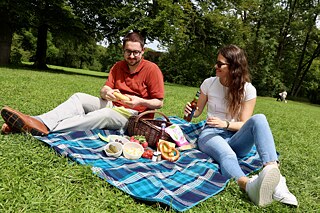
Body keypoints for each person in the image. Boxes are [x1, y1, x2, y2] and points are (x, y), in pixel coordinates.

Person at [184, 45, 297, 206]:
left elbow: (244, 124)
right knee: (227, 155)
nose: (215, 67)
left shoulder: (247, 90)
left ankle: (274, 174)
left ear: (233, 68)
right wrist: (189, 112)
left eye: (219, 64)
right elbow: (196, 113)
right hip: (211, 134)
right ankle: (248, 185)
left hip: (235, 136)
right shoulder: (208, 83)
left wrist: (226, 124)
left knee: (259, 119)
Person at [1, 31, 165, 136]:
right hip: (113, 105)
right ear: (123, 51)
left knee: (104, 115)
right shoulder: (118, 66)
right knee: (79, 97)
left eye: (136, 52)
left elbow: (159, 102)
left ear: (143, 51)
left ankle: (42, 127)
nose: (131, 56)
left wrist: (140, 101)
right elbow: (105, 88)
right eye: (128, 51)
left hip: (133, 117)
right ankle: (37, 121)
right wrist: (105, 92)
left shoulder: (152, 69)